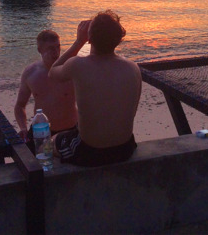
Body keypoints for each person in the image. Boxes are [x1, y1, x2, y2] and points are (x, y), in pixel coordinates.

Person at [48, 10, 142, 167]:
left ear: (90, 39)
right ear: (118, 39)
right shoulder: (133, 68)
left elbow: (53, 72)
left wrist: (79, 41)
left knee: (51, 141)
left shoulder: (78, 65)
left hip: (90, 151)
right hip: (125, 149)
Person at [13, 29, 78, 154]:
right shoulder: (31, 73)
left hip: (70, 130)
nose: (56, 52)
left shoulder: (70, 70)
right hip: (41, 131)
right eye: (50, 48)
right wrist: (23, 128)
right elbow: (20, 105)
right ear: (40, 50)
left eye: (58, 47)